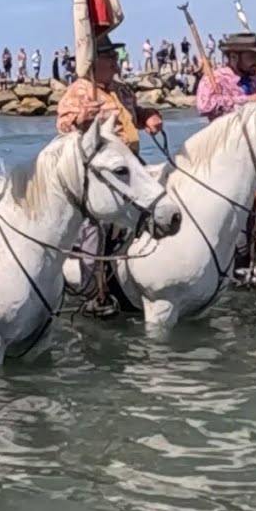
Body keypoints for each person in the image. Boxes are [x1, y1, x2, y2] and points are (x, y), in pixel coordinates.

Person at [55, 37, 163, 316]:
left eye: (115, 58)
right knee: (97, 225)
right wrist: (81, 119)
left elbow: (133, 115)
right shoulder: (79, 91)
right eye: (110, 59)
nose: (116, 63)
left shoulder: (122, 90)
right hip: (98, 171)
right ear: (95, 62)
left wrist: (148, 116)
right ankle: (92, 287)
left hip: (129, 163)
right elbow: (62, 125)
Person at [196, 32, 256, 122]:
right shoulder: (215, 78)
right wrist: (246, 100)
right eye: (251, 57)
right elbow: (204, 106)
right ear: (234, 57)